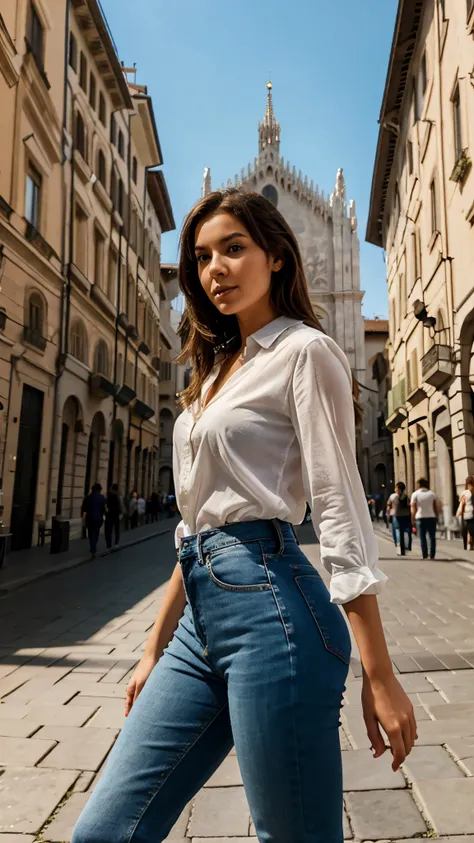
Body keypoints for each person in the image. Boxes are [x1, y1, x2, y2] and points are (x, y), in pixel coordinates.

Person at [73, 188, 416, 843]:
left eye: (234, 249)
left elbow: (341, 511)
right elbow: (194, 525)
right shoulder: (211, 373)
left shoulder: (306, 351)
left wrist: (380, 674)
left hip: (275, 612)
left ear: (278, 257)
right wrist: (152, 648)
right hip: (199, 622)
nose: (214, 269)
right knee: (104, 830)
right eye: (202, 257)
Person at [410, 478, 441, 560]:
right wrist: (437, 516)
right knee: (432, 537)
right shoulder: (432, 494)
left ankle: (424, 555)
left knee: (422, 537)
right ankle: (432, 555)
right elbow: (435, 507)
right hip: (431, 517)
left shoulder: (415, 494)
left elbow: (413, 508)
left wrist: (412, 518)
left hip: (420, 517)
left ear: (419, 485)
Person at [82, 482, 107, 558]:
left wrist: (84, 520)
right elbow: (104, 509)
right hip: (98, 518)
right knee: (96, 532)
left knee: (90, 533)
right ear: (99, 490)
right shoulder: (102, 497)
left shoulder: (88, 498)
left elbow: (84, 510)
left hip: (89, 518)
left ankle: (93, 547)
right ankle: (93, 547)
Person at [392, 482, 411, 556]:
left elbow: (392, 506)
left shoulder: (395, 497)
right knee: (404, 533)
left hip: (397, 517)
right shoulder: (406, 497)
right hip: (406, 516)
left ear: (398, 489)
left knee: (398, 533)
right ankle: (405, 549)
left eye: (396, 488)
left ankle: (400, 549)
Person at [105, 484, 124, 550]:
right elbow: (121, 506)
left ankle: (109, 545)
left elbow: (106, 506)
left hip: (110, 515)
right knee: (116, 529)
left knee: (108, 530)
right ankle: (116, 543)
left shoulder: (108, 496)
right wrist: (121, 513)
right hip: (116, 515)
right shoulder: (119, 497)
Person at [459, 475, 474, 551]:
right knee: (469, 528)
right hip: (469, 513)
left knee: (468, 528)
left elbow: (462, 503)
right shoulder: (466, 493)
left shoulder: (465, 492)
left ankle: (468, 543)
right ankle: (468, 543)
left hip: (468, 513)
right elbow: (462, 503)